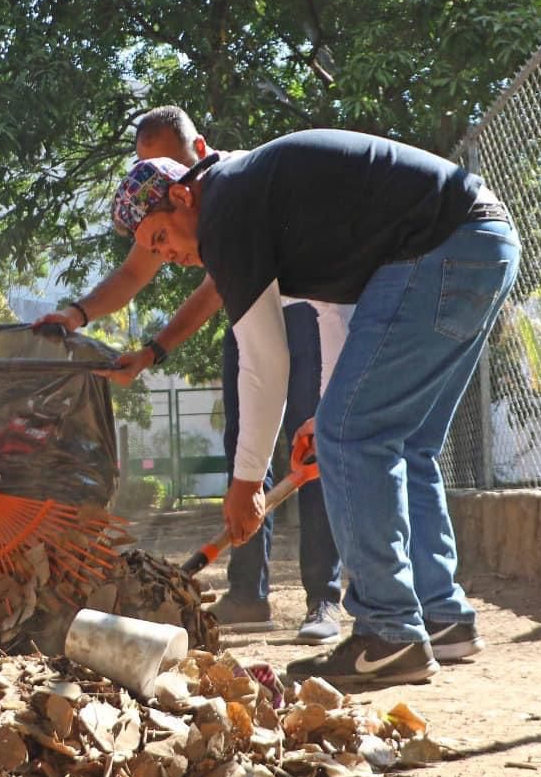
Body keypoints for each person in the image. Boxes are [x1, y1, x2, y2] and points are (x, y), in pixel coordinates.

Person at [110, 128, 519, 687]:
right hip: (484, 242)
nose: (171, 257)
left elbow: (264, 362)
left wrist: (246, 482)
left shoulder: (225, 209)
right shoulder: (256, 197)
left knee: (357, 437)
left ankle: (390, 633)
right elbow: (338, 312)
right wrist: (328, 410)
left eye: (161, 237)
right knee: (405, 440)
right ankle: (442, 616)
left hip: (442, 249)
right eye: (155, 252)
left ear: (181, 198)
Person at [34, 106, 343, 644]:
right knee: (245, 450)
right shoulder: (164, 204)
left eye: (166, 170)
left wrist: (155, 349)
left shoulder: (234, 188)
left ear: (195, 158)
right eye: (145, 171)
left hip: (308, 314)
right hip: (251, 317)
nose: (157, 184)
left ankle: (324, 598)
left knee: (311, 445)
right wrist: (81, 315)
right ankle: (248, 591)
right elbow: (139, 273)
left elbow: (218, 285)